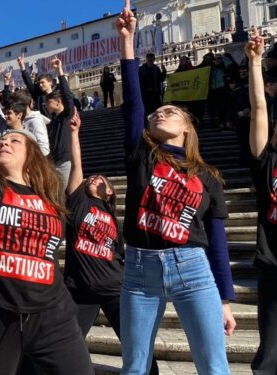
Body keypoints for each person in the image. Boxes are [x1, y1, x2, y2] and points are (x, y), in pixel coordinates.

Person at [0, 10, 93, 374]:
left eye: (14, 140)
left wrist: (75, 137)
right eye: (2, 139)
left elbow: (76, 178)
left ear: (31, 153)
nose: (5, 141)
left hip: (54, 316)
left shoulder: (50, 196)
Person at [115, 2, 235, 374]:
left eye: (170, 111)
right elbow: (135, 104)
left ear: (187, 126)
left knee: (214, 366)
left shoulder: (208, 176)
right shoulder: (142, 154)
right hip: (139, 269)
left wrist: (226, 299)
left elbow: (217, 239)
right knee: (134, 366)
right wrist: (128, 42)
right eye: (156, 115)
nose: (159, 113)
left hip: (193, 268)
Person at [64, 111, 161, 374]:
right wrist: (74, 134)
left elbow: (118, 254)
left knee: (136, 342)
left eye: (101, 180)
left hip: (115, 287)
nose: (94, 179)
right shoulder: (79, 202)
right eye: (91, 178)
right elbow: (76, 166)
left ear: (110, 191)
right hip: (79, 290)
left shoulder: (112, 218)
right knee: (63, 343)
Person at [245, 31, 277, 375]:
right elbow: (258, 108)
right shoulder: (266, 160)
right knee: (270, 352)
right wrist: (255, 62)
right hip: (273, 262)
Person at [45, 57, 76, 188]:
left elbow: (67, 96)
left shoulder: (67, 115)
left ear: (58, 102)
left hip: (65, 162)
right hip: (53, 163)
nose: (46, 105)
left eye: (48, 102)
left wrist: (60, 72)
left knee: (60, 195)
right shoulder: (52, 122)